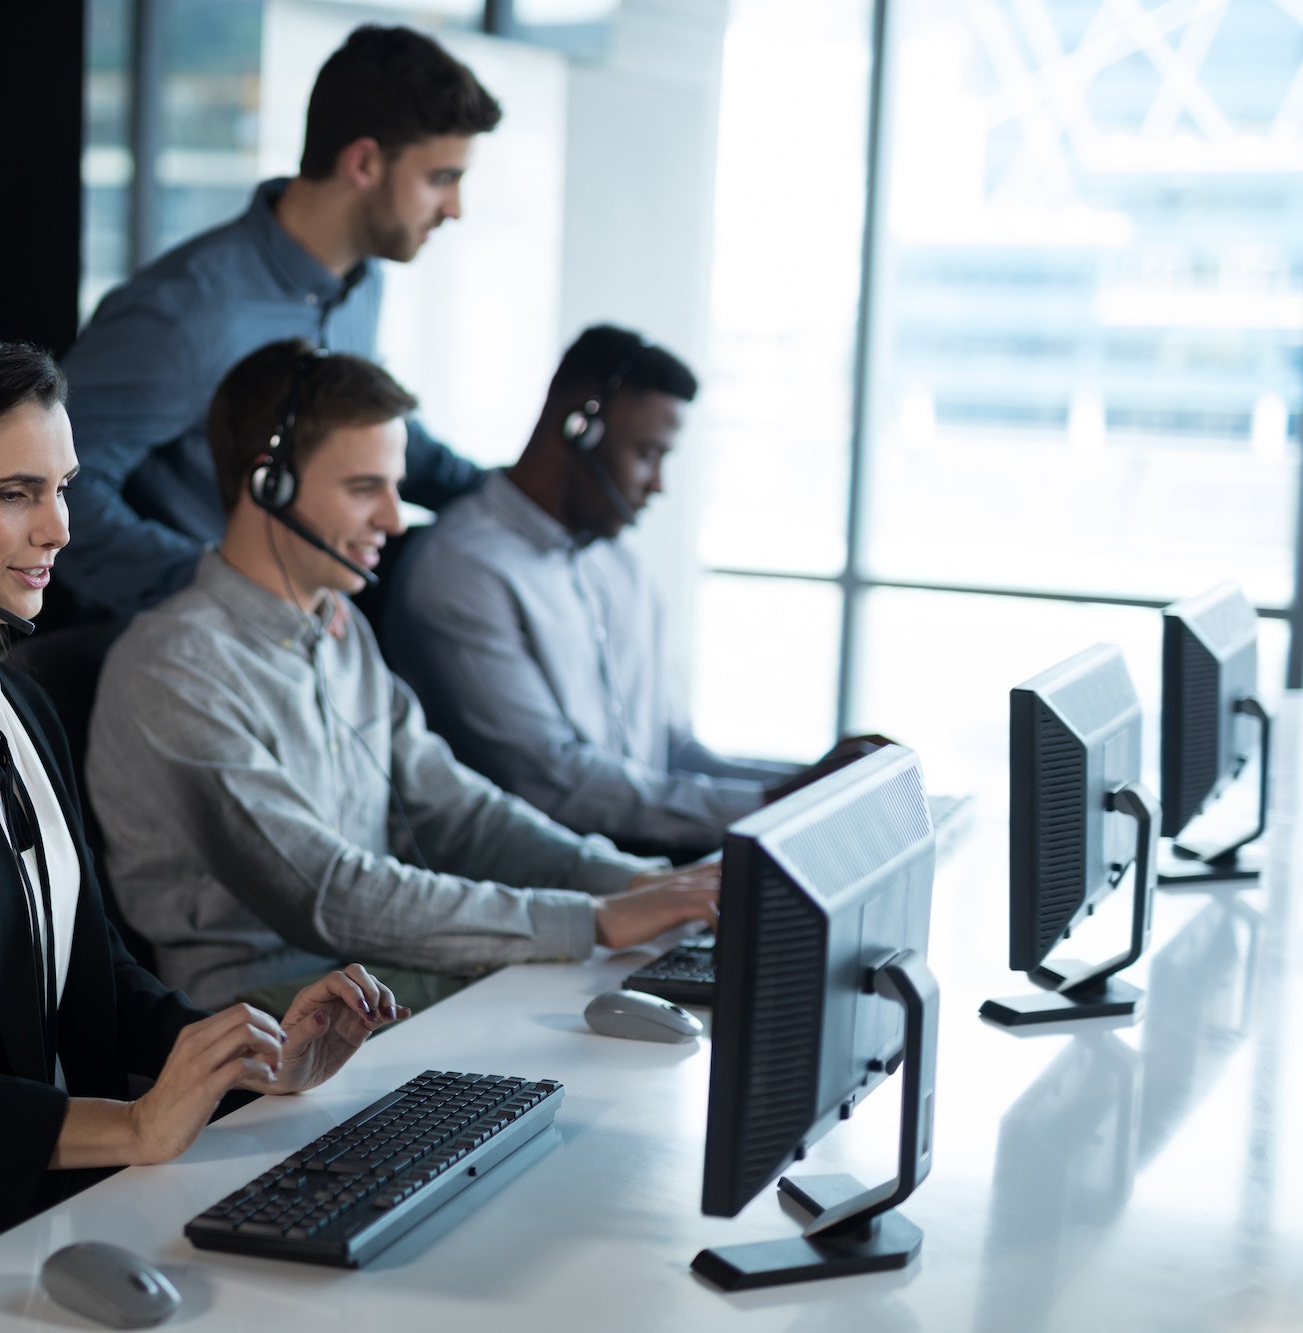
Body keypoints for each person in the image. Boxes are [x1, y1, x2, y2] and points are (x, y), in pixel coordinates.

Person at [0, 317, 402, 1253]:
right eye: (16, 494)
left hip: (41, 1194)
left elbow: (90, 975)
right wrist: (135, 1126)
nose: (60, 528)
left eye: (62, 489)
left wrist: (248, 1056)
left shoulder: (19, 706)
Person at [86, 339, 720, 1012]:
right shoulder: (174, 667)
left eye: (395, 485)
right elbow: (328, 891)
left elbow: (457, 811)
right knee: (582, 1007)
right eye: (365, 489)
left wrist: (642, 883)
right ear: (268, 482)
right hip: (262, 1014)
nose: (394, 518)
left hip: (374, 976)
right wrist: (589, 919)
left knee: (622, 998)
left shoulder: (340, 628)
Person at [53, 24, 500, 621]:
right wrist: (228, 586)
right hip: (188, 645)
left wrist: (516, 498)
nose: (455, 209)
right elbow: (57, 491)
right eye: (441, 179)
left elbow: (367, 434)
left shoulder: (362, 283)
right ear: (364, 162)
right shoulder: (185, 313)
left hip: (300, 624)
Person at [385, 325, 830, 863]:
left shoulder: (619, 561)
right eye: (647, 453)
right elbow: (555, 784)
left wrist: (815, 787)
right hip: (546, 894)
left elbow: (672, 754)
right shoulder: (463, 569)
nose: (659, 483)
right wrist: (771, 804)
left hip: (653, 875)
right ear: (578, 427)